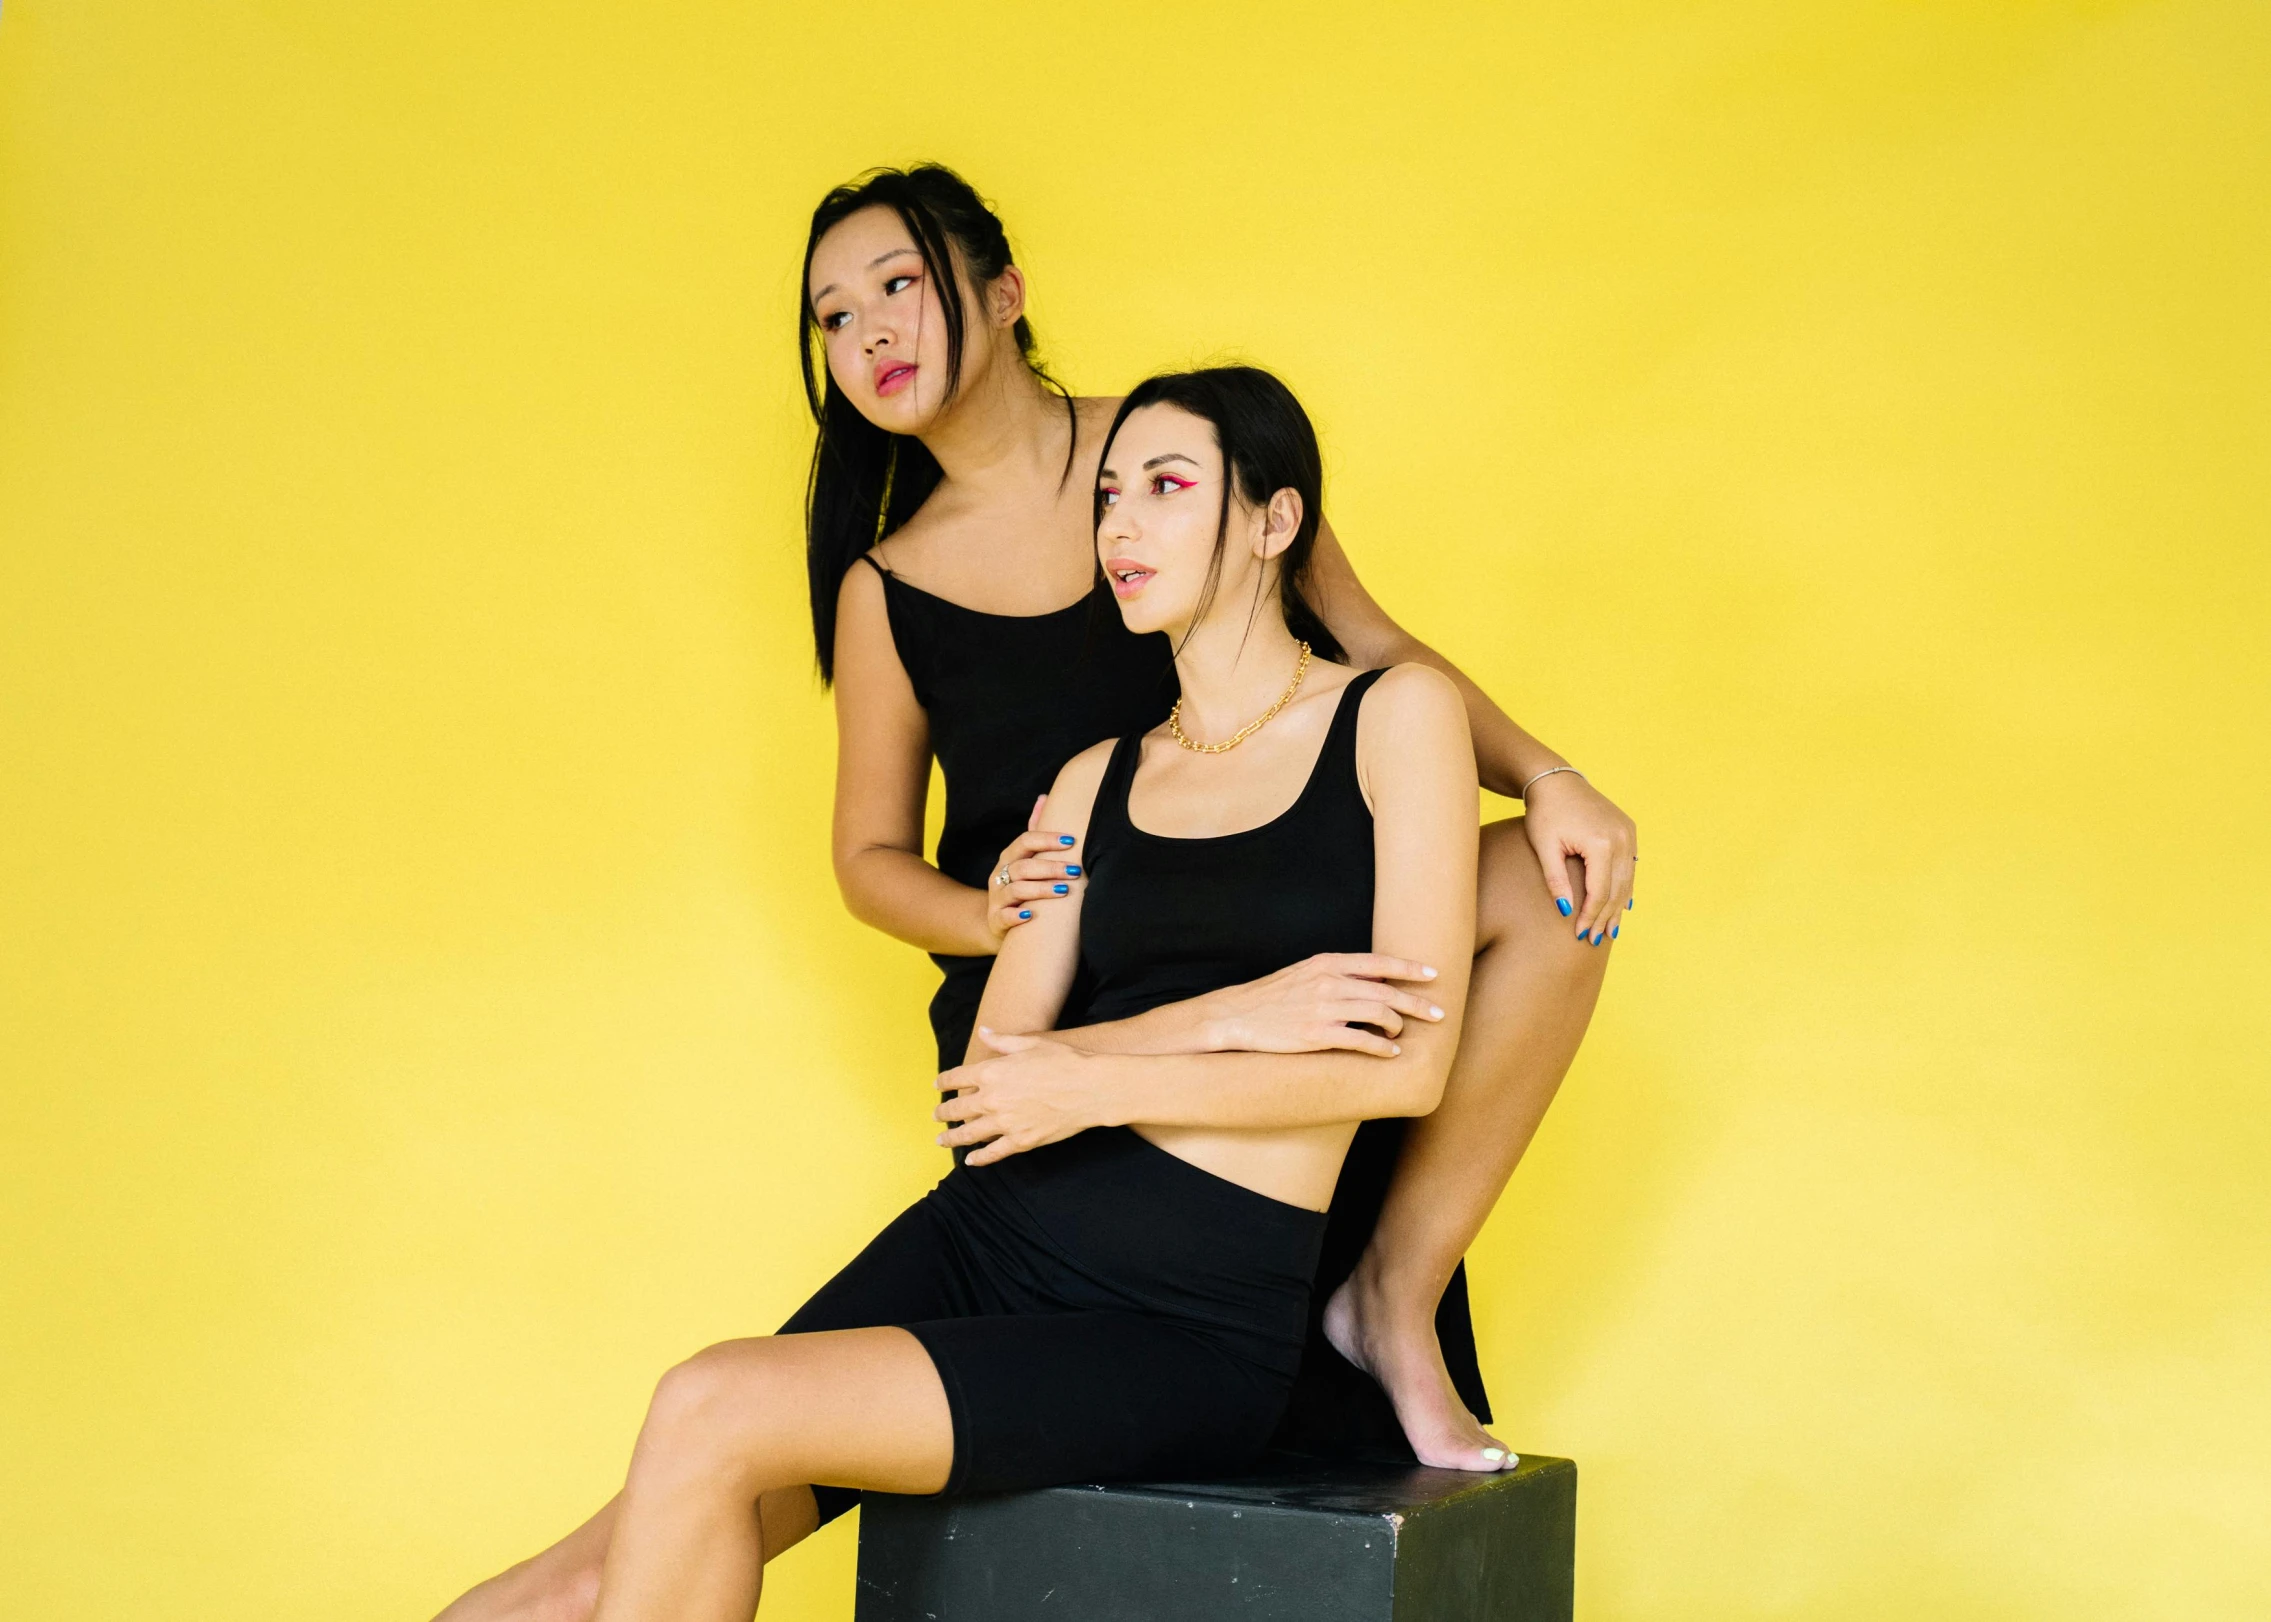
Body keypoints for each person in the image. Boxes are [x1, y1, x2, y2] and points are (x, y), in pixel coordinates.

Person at [434, 367, 1487, 1622]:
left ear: (1275, 520)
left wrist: (1092, 1074)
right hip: (990, 1235)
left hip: (1180, 1318)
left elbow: (1405, 1067)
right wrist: (1224, 1013)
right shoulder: (1093, 780)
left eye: (1167, 488)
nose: (1121, 528)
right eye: (1109, 496)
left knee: (709, 1405)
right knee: (616, 1544)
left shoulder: (1394, 719)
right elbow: (994, 1083)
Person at [812, 164, 1635, 1472]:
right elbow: (864, 859)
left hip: (1274, 943)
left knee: (1558, 884)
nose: (870, 335)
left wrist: (1544, 776)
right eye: (833, 317)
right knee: (746, 1423)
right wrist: (994, 909)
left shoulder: (1182, 452)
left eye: (898, 285)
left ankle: (1390, 1291)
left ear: (1004, 291)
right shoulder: (885, 582)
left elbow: (1372, 650)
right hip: (1064, 994)